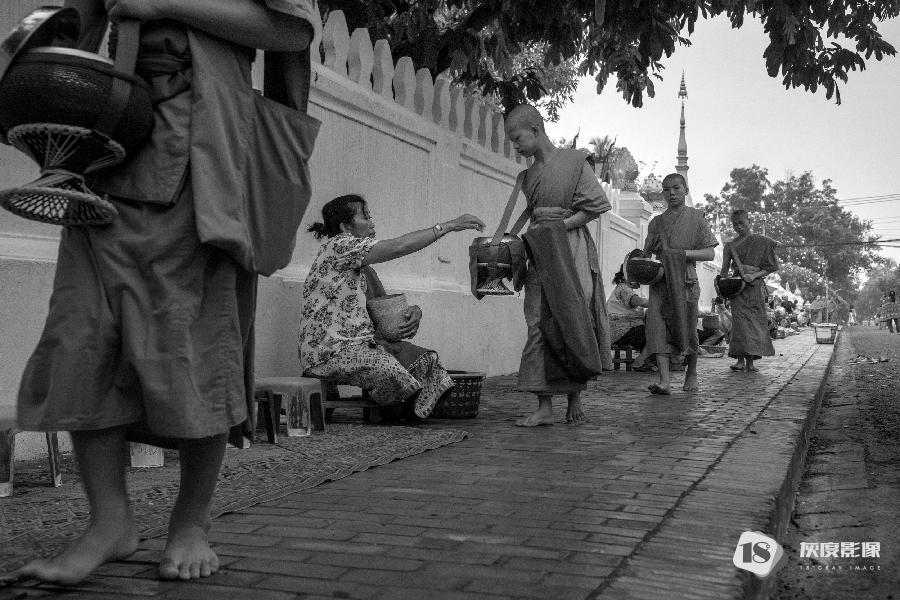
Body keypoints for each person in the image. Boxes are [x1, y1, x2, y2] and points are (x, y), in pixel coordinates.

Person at [11, 0, 321, 585]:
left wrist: (163, 2)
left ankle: (190, 523)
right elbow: (73, 31)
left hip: (203, 166)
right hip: (101, 153)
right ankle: (110, 522)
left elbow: (291, 29)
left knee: (197, 348)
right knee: (79, 338)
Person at [298, 195, 485, 419]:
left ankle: (407, 404)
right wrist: (448, 226)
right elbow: (399, 247)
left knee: (427, 362)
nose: (372, 223)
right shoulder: (339, 246)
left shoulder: (361, 266)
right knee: (391, 370)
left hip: (363, 344)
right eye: (365, 217)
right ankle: (402, 408)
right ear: (345, 227)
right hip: (329, 351)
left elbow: (384, 314)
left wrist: (415, 312)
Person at [503, 104, 612, 426]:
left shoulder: (575, 162)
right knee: (537, 321)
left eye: (517, 138)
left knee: (571, 318)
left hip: (570, 246)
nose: (515, 146)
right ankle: (544, 405)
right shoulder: (527, 176)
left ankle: (575, 395)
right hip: (540, 247)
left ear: (535, 130)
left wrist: (557, 228)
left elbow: (594, 207)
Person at [641, 173, 718, 395]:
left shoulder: (696, 218)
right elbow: (647, 254)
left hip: (686, 281)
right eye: (666, 189)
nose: (671, 193)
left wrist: (682, 254)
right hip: (661, 281)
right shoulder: (656, 223)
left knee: (688, 327)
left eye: (676, 188)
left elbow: (710, 253)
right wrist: (640, 264)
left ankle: (691, 372)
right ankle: (664, 381)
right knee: (656, 327)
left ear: (686, 189)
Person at [721, 210, 779, 372]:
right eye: (735, 225)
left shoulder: (763, 242)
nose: (738, 227)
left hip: (754, 289)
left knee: (755, 324)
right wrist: (721, 286)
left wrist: (754, 275)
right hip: (737, 288)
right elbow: (724, 270)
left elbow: (772, 267)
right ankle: (740, 361)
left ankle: (751, 362)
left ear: (749, 221)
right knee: (739, 325)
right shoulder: (730, 246)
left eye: (741, 223)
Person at [607, 267, 652, 371]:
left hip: (624, 329)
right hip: (622, 331)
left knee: (652, 332)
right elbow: (640, 302)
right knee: (655, 335)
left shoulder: (624, 288)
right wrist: (659, 302)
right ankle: (640, 362)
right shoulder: (623, 289)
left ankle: (644, 361)